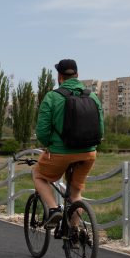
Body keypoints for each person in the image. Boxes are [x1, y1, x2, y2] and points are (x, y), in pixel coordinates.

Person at [33, 59, 104, 228]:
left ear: (59, 76)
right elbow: (100, 129)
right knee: (76, 193)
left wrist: (49, 144)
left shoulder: (52, 97)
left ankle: (52, 209)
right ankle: (74, 232)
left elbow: (42, 131)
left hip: (59, 153)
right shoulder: (93, 96)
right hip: (88, 153)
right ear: (77, 75)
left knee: (38, 175)